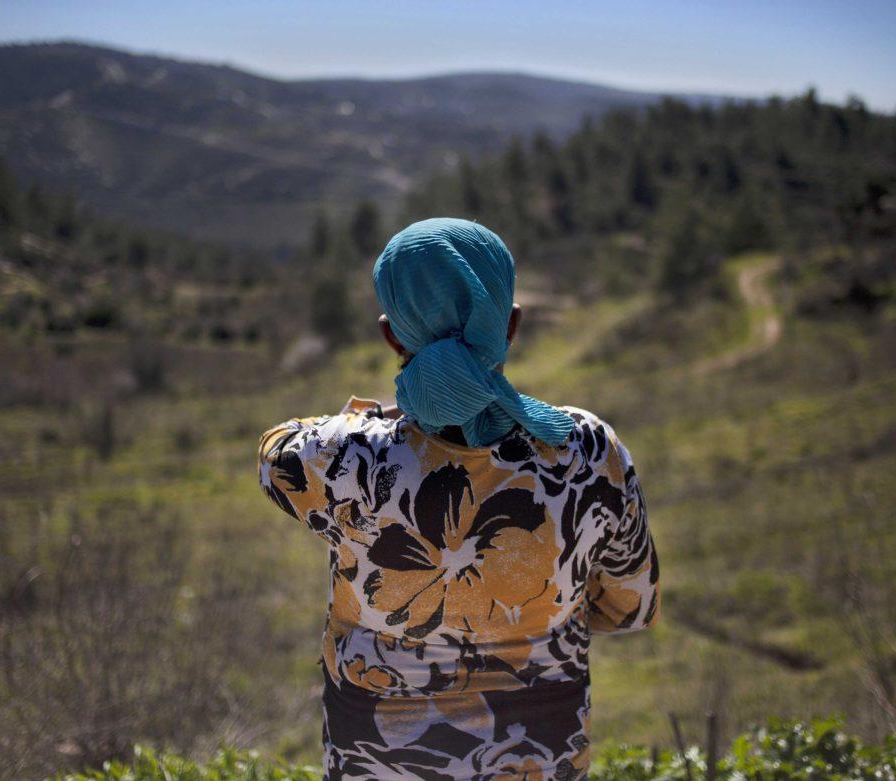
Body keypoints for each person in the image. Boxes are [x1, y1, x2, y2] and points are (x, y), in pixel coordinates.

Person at [258, 218, 659, 780]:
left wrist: (375, 416)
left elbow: (274, 454)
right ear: (510, 325)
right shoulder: (587, 450)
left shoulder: (346, 457)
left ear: (391, 336)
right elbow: (629, 606)